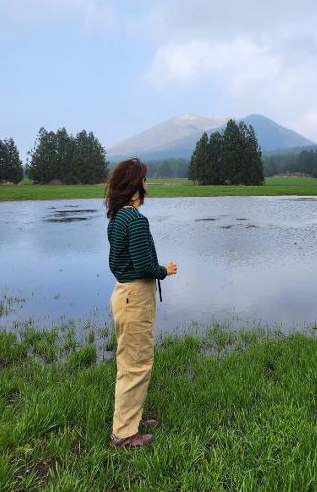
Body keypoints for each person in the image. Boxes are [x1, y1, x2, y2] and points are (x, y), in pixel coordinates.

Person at [104, 157, 177, 448]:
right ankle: (123, 434)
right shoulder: (134, 219)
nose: (147, 185)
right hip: (135, 296)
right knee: (137, 363)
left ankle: (132, 417)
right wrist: (165, 270)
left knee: (130, 361)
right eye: (145, 180)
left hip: (125, 294)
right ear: (137, 186)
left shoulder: (118, 217)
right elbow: (145, 264)